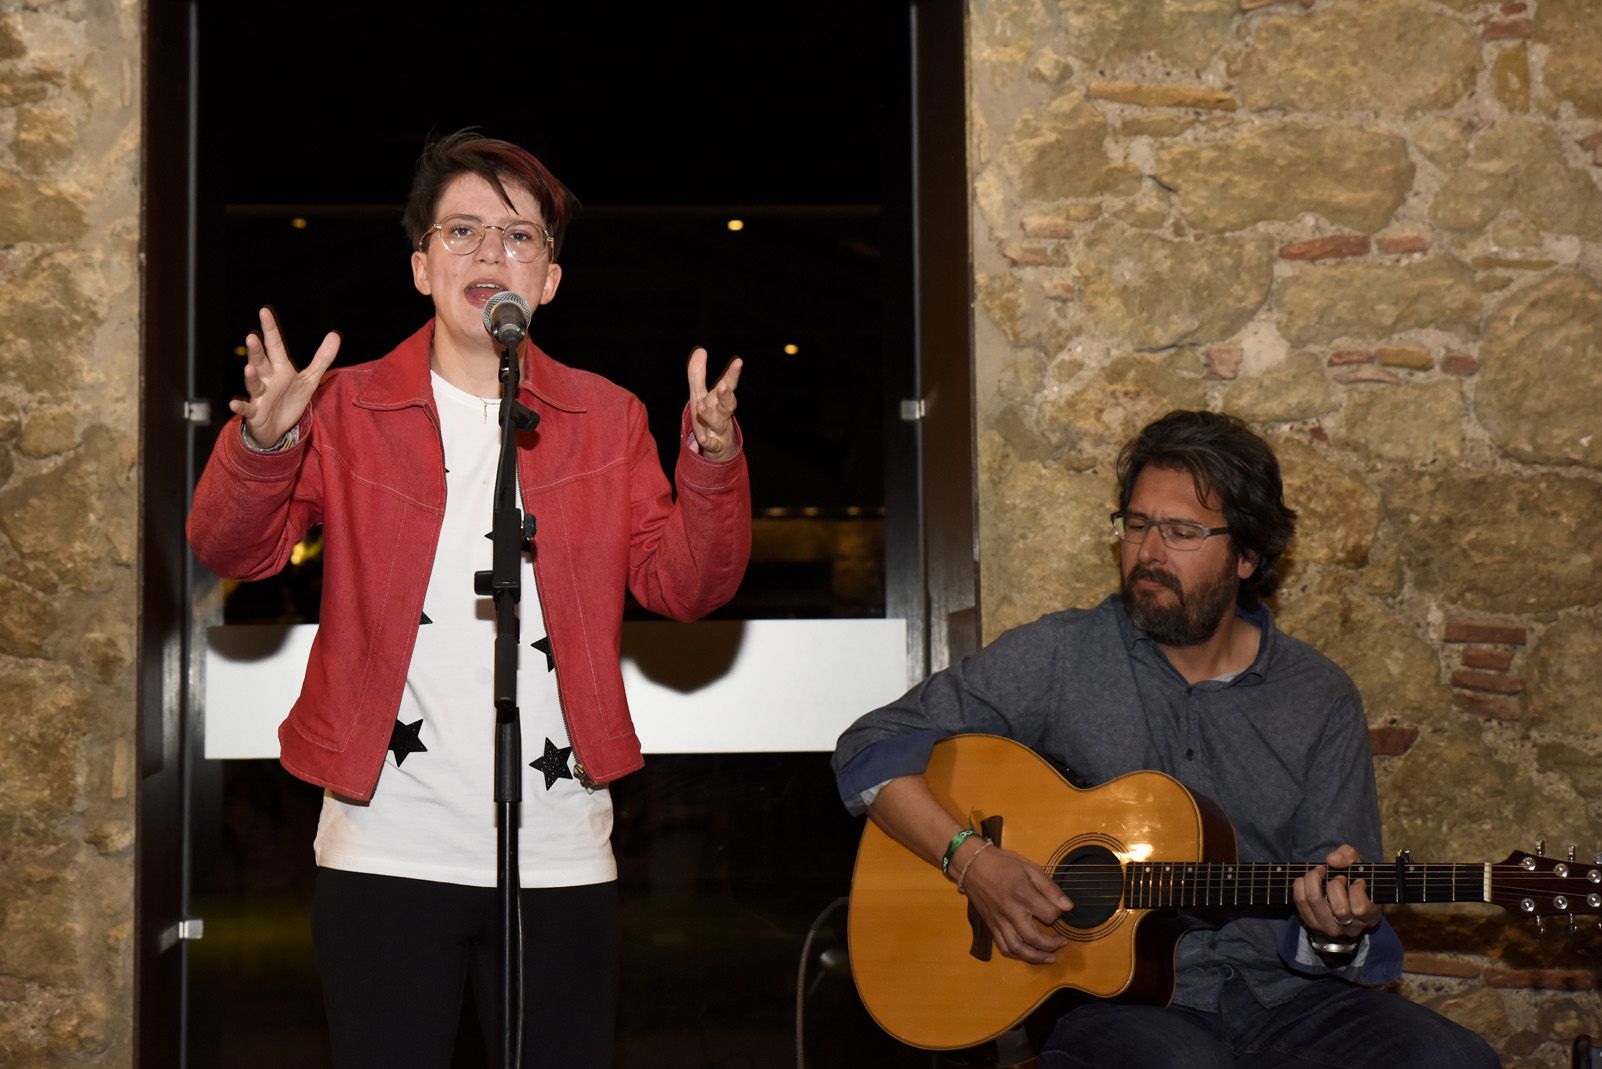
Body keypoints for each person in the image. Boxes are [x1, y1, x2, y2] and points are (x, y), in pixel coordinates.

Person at [188, 130, 751, 1067]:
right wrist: (265, 443)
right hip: (384, 847)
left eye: (519, 236)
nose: (491, 251)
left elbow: (687, 585)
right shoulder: (347, 408)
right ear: (421, 267)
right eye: (462, 231)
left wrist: (715, 461)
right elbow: (232, 549)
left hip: (559, 850)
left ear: (549, 281)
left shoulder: (607, 418)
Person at [832, 411, 1498, 1068]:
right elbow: (871, 744)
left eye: (1181, 532)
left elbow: (1336, 903)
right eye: (1136, 524)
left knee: (1455, 1059)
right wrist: (972, 860)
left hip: (1284, 999)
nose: (1148, 552)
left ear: (1247, 556)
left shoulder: (1319, 697)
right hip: (1115, 1002)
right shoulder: (1061, 655)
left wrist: (1337, 930)